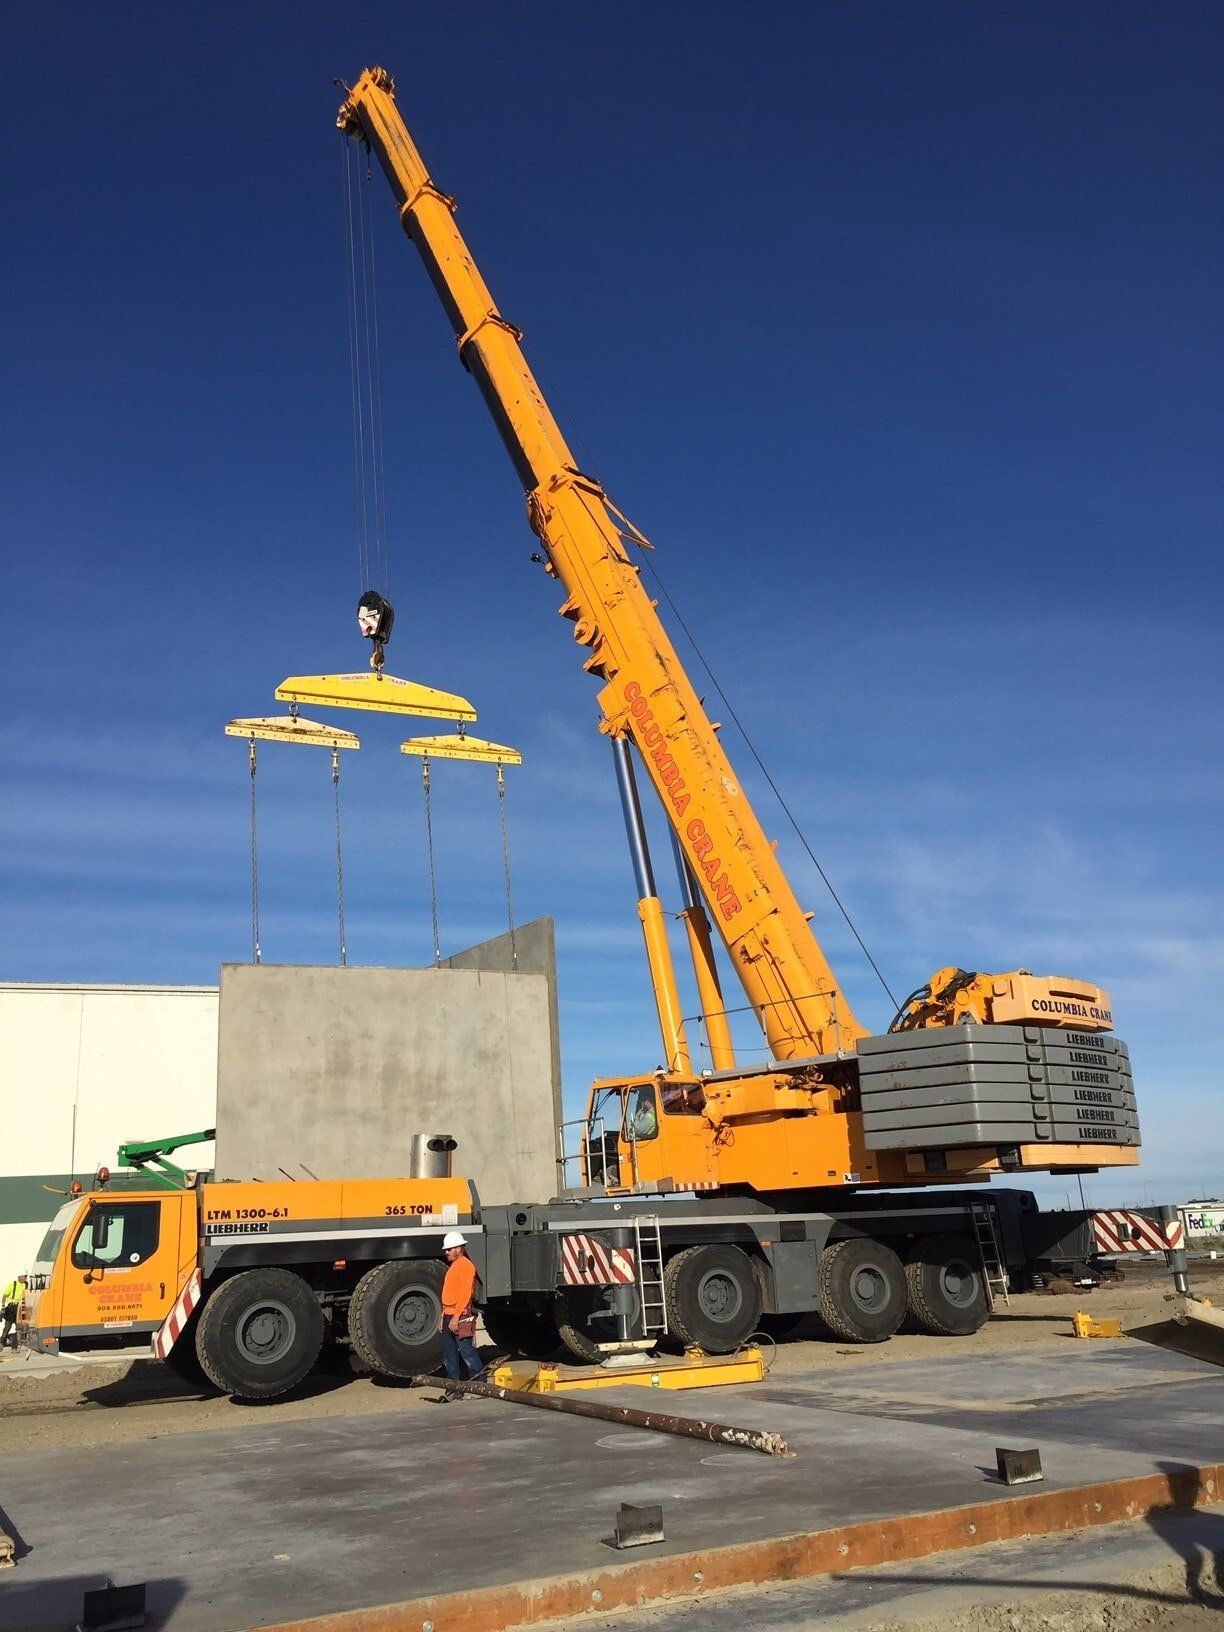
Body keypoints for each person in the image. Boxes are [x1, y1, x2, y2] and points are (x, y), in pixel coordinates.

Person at [437, 1230, 482, 1400]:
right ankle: (453, 1388)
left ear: (458, 1248)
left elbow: (464, 1294)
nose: (446, 1252)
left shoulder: (466, 1266)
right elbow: (449, 1294)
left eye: (449, 1249)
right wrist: (444, 1315)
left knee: (466, 1351)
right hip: (450, 1314)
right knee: (449, 1355)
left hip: (460, 1315)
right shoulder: (454, 1267)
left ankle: (479, 1385)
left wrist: (456, 1317)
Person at [1, 1274, 26, 1349]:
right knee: (7, 1326)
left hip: (21, 1307)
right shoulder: (12, 1284)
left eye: (26, 1276)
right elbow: (4, 1296)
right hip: (11, 1307)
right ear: (19, 1277)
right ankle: (1, 1343)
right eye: (24, 1276)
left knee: (19, 1328)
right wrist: (3, 1306)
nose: (25, 1278)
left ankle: (14, 1347)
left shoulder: (26, 1285)